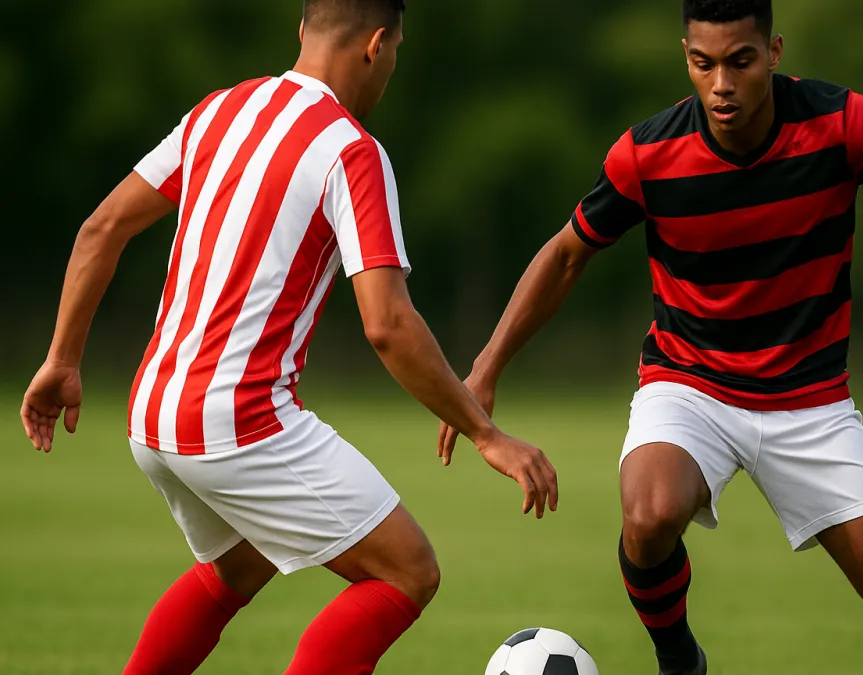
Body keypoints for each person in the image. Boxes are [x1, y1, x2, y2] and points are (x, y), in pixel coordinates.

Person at [437, 0, 863, 673]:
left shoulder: (841, 125)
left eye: (740, 61)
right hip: (690, 384)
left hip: (811, 398)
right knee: (648, 516)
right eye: (704, 63)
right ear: (686, 57)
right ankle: (680, 661)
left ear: (773, 52)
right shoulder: (648, 154)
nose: (722, 83)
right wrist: (488, 366)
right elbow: (566, 254)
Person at [19, 1, 559, 673]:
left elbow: (101, 228)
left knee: (240, 563)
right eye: (396, 50)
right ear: (377, 45)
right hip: (237, 419)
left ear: (303, 30)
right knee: (407, 571)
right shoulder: (351, 150)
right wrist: (486, 433)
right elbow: (388, 325)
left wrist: (62, 359)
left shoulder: (219, 111)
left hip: (151, 411)